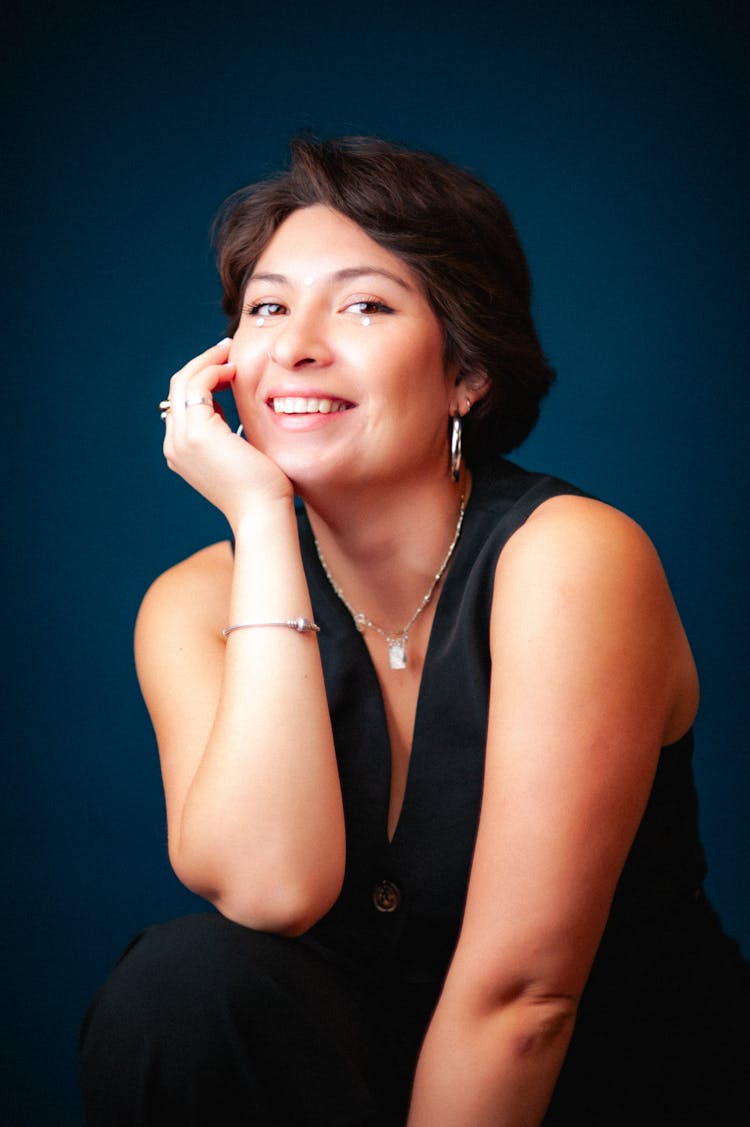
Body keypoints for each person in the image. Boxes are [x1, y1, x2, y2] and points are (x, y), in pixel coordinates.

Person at [80, 136, 749, 1126]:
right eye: (267, 307)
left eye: (364, 304)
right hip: (352, 1080)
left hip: (607, 1082)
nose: (297, 344)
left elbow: (525, 999)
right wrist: (263, 521)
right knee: (177, 987)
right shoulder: (191, 603)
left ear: (466, 374)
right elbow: (275, 887)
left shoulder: (570, 557)